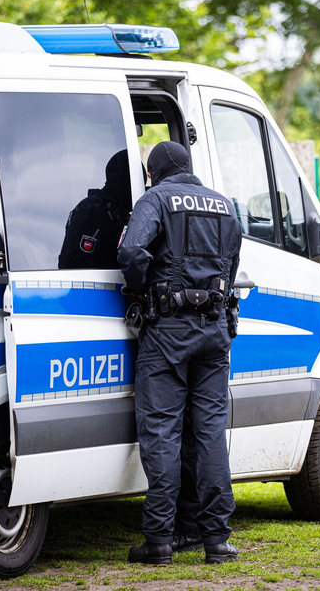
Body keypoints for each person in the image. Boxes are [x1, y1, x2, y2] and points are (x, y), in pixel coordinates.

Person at [117, 141, 242, 565]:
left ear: (155, 173)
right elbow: (232, 262)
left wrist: (138, 287)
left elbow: (132, 251)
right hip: (215, 331)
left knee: (162, 433)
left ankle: (158, 541)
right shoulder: (224, 206)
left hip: (169, 331)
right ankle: (217, 540)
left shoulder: (155, 200)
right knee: (209, 435)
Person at [58, 149, 134, 270]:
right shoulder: (94, 209)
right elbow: (76, 263)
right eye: (133, 182)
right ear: (122, 180)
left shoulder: (116, 211)